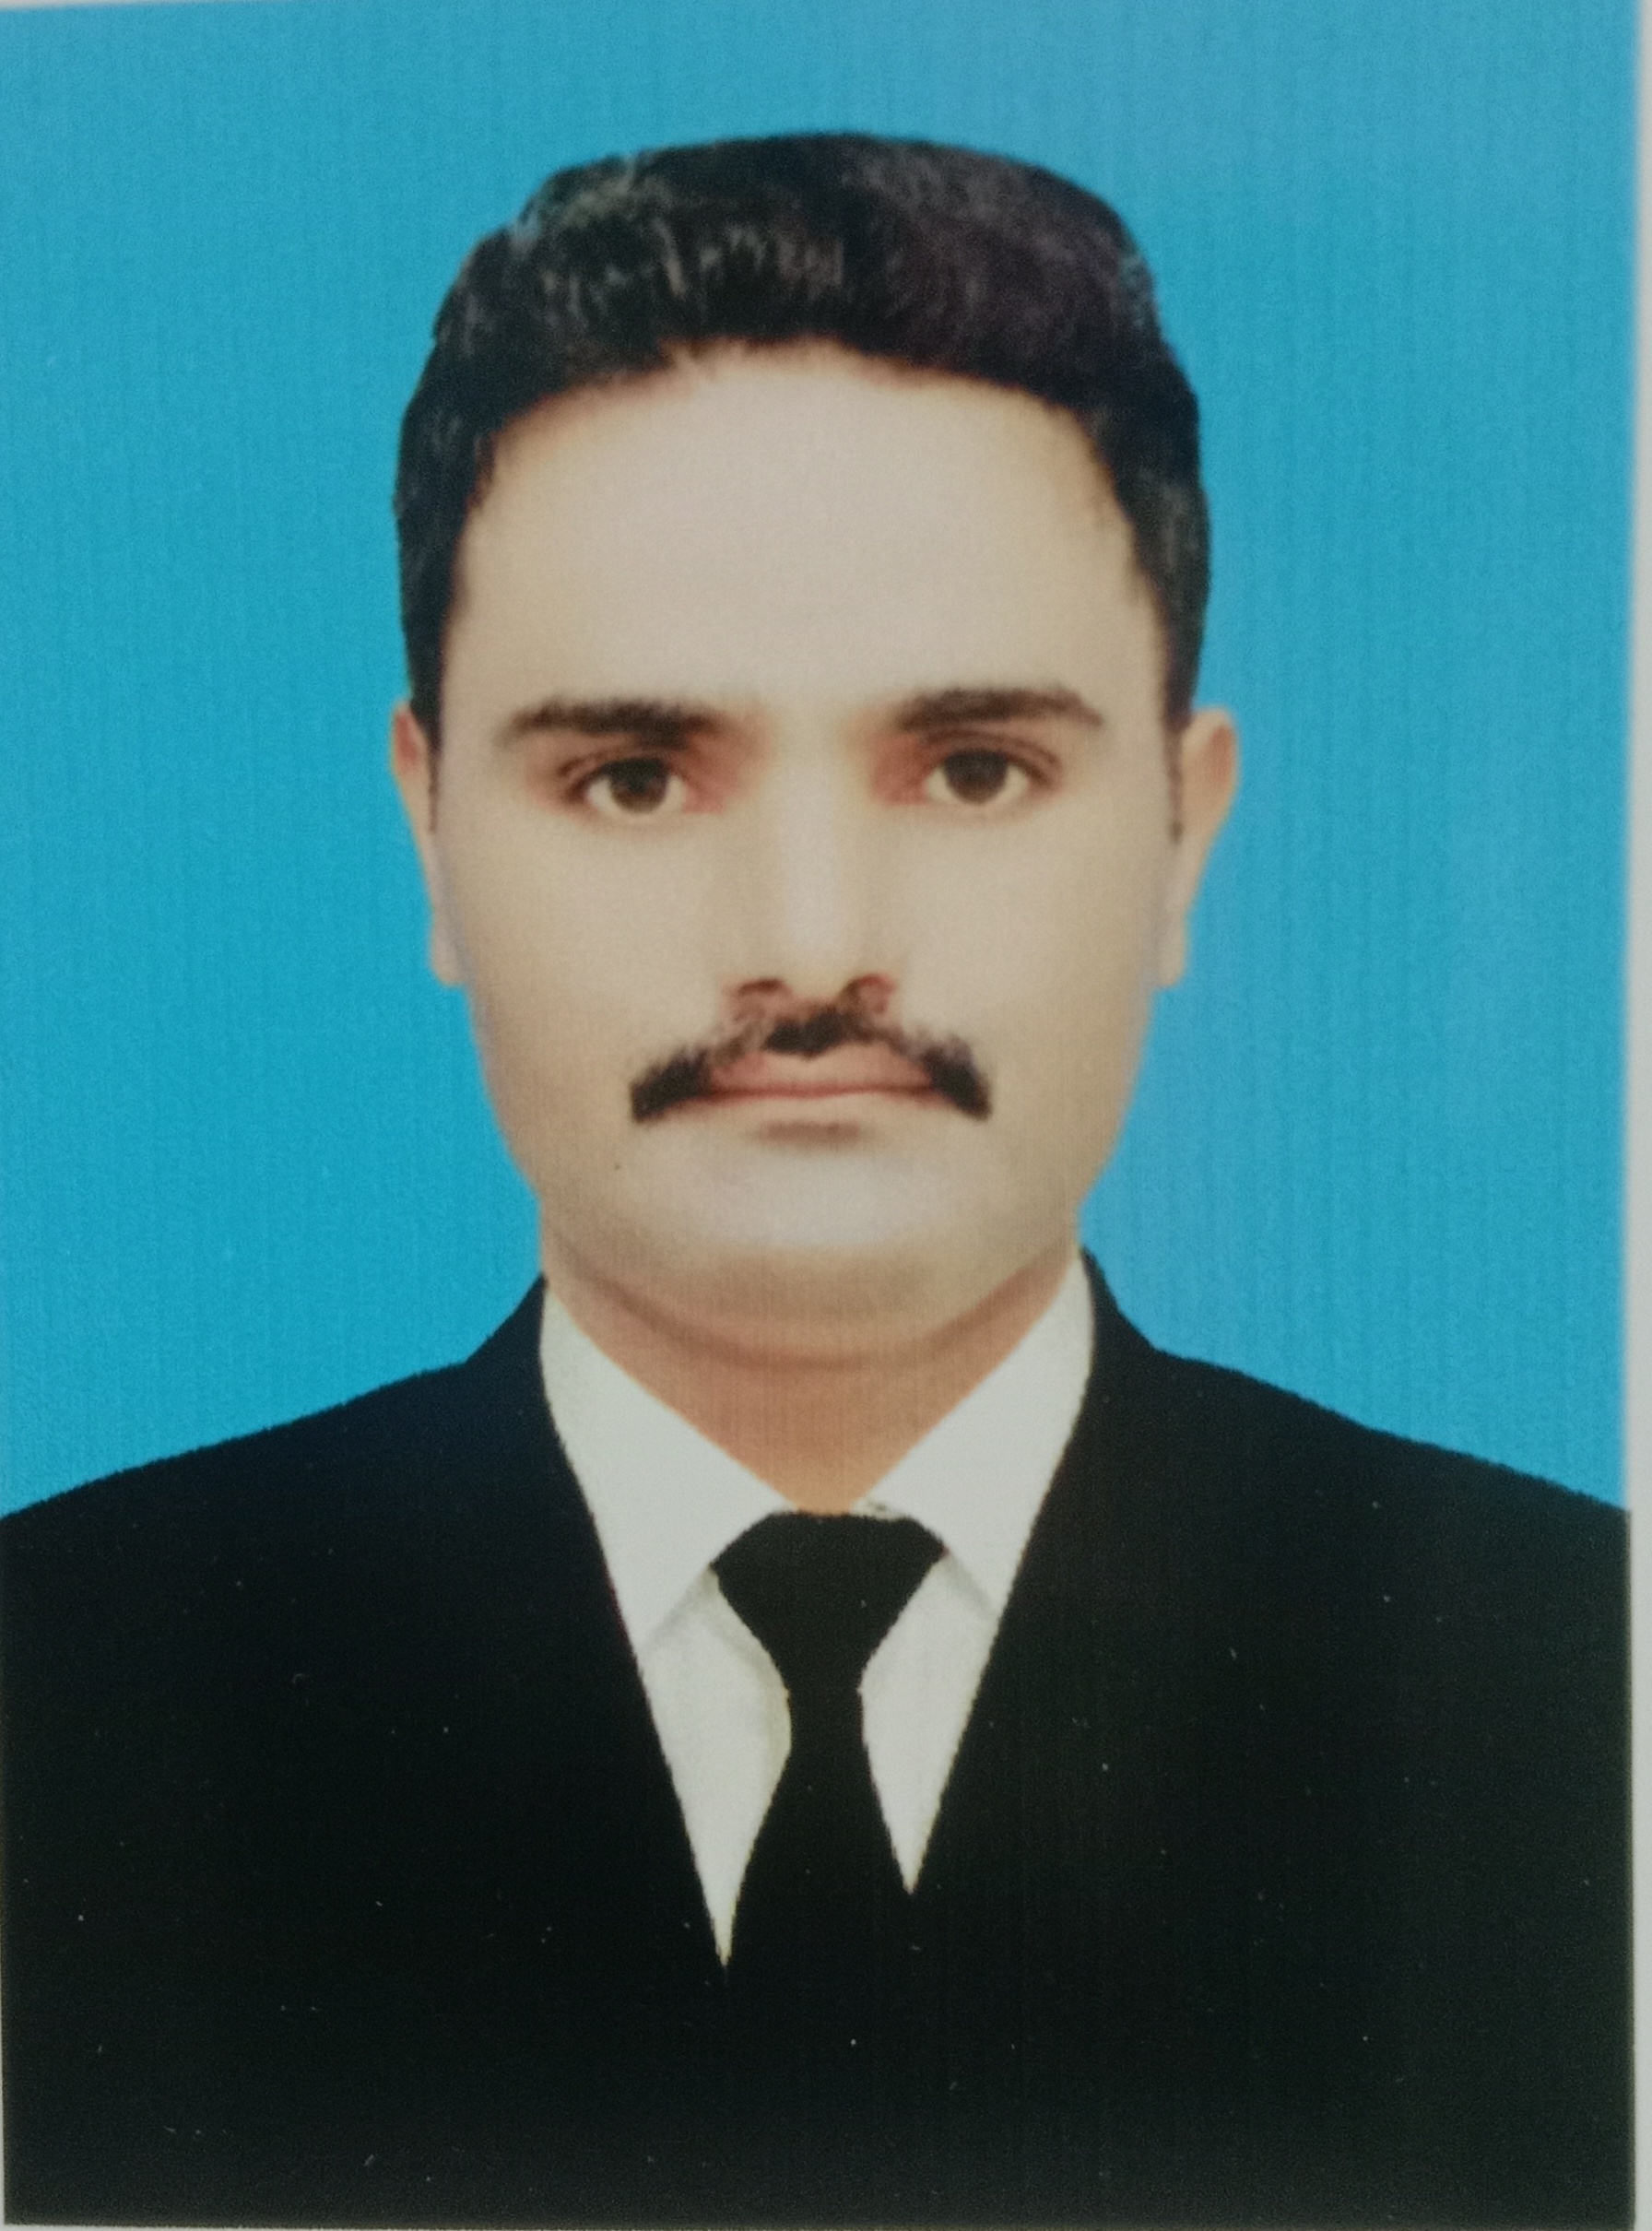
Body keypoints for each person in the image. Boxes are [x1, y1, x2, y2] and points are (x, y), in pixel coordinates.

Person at [0, 135, 1627, 2229]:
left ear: (1181, 831)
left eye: (972, 768)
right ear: (431, 834)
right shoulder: (61, 1702)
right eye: (635, 775)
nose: (810, 944)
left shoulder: (1573, 1690)